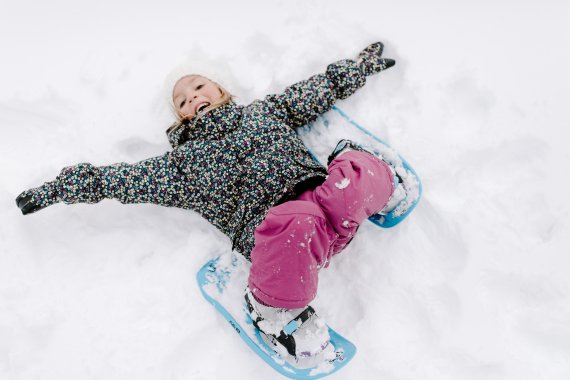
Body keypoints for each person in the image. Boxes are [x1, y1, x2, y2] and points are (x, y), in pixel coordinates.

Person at [16, 42, 400, 358]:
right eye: (181, 101)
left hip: (325, 204)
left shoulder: (264, 113)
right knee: (296, 220)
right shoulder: (182, 165)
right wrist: (60, 188)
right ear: (180, 119)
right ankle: (272, 310)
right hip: (280, 237)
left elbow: (314, 92)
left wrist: (356, 68)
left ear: (222, 89)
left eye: (199, 86)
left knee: (356, 173)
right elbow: (119, 180)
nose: (192, 98)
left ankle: (380, 183)